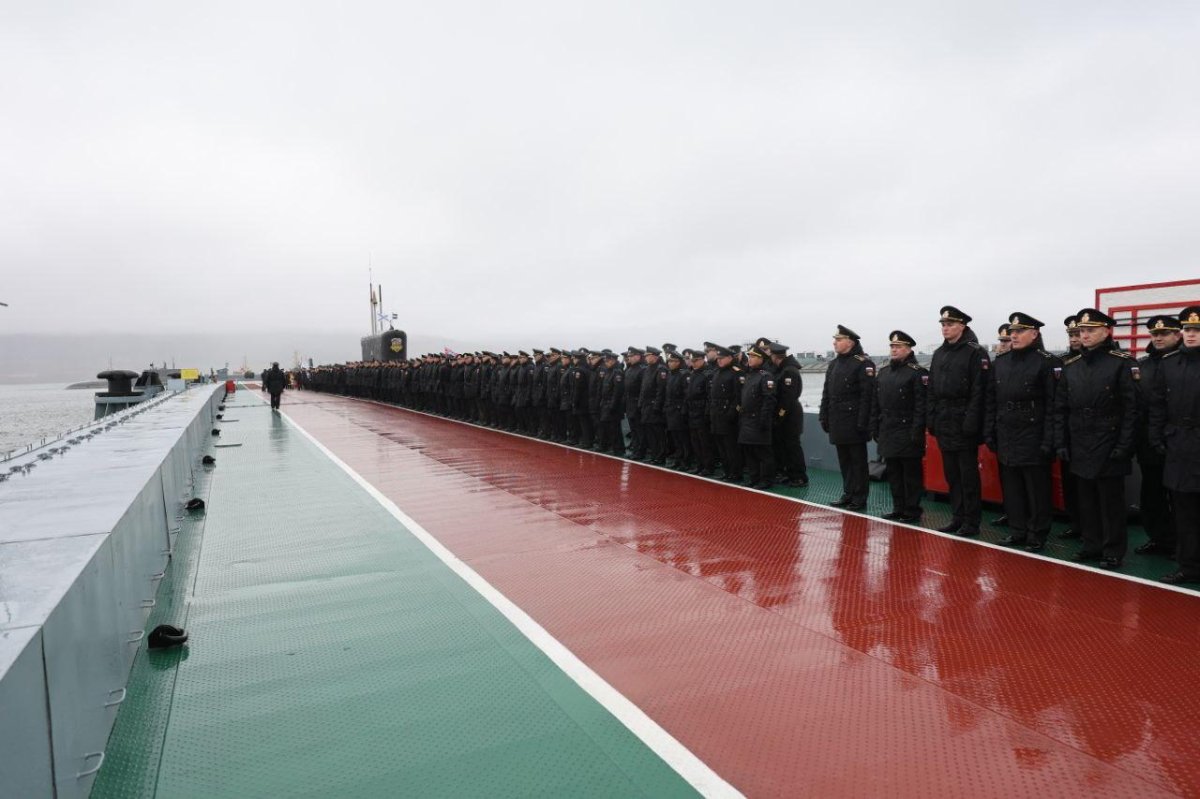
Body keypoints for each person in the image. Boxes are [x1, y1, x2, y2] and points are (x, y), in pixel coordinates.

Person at [1054, 308, 1139, 570]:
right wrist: (1062, 441)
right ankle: (1091, 545)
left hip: (1109, 440)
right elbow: (1061, 408)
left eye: (1090, 330)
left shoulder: (1122, 363)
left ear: (1106, 331)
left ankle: (1113, 551)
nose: (1085, 335)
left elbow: (1132, 409)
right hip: (1080, 440)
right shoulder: (1072, 366)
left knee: (1110, 502)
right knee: (1086, 499)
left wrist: (1124, 446)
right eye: (1082, 331)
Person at [986, 313, 1058, 552]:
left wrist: (1049, 439)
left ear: (1034, 334)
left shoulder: (1046, 362)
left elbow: (1054, 404)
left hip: (1033, 433)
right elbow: (992, 400)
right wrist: (990, 430)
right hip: (1007, 432)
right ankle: (1017, 530)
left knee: (1036, 489)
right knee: (1012, 487)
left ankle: (1037, 534)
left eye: (1020, 331)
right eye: (1012, 332)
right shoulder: (1001, 362)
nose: (1014, 336)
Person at [928, 306, 989, 536]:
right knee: (952, 475)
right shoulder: (939, 354)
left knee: (967, 475)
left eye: (950, 324)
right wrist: (932, 417)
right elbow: (932, 389)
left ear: (962, 326)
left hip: (964, 420)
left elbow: (979, 391)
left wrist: (972, 422)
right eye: (943, 324)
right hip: (945, 420)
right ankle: (958, 516)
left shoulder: (975, 353)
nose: (945, 328)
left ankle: (971, 521)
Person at [1150, 306, 1200, 584]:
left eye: (1197, 330)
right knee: (1184, 512)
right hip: (1179, 446)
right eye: (1188, 329)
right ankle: (1188, 566)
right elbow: (1158, 404)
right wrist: (1157, 437)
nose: (1191, 334)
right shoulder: (1169, 363)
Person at [1134, 315, 1181, 556]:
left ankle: (1182, 544)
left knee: (1180, 497)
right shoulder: (1142, 365)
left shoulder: (1186, 361)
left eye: (1164, 333)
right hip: (1148, 442)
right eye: (1155, 334)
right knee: (1151, 494)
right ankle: (1159, 538)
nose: (1159, 338)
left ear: (1177, 335)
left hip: (1178, 441)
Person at [871, 331, 927, 522]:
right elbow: (876, 403)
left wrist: (917, 431)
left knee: (911, 474)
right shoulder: (884, 372)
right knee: (894, 472)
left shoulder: (917, 373)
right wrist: (875, 426)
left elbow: (921, 406)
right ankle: (898, 507)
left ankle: (912, 510)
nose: (894, 350)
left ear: (909, 349)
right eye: (892, 346)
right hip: (888, 429)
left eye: (898, 346)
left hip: (908, 429)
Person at [819, 325, 874, 510]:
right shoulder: (834, 364)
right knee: (844, 461)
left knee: (858, 462)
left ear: (850, 342)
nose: (834, 343)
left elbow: (867, 396)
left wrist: (863, 422)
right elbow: (827, 393)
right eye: (835, 339)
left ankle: (859, 497)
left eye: (838, 339)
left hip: (855, 421)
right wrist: (823, 415)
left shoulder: (863, 363)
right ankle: (848, 493)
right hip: (837, 420)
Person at [769, 342, 809, 487]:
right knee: (785, 446)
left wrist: (779, 415)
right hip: (786, 414)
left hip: (790, 415)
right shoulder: (783, 369)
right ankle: (790, 474)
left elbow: (788, 398)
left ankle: (799, 477)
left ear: (775, 356)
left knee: (793, 447)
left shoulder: (789, 371)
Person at [739, 346, 777, 488]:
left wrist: (764, 420)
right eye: (749, 356)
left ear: (762, 359)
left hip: (758, 420)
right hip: (746, 420)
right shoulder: (749, 375)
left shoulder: (765, 376)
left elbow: (769, 400)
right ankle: (754, 477)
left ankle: (767, 480)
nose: (750, 359)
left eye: (754, 356)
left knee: (763, 453)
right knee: (749, 451)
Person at [708, 345, 743, 482]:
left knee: (731, 447)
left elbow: (739, 397)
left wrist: (732, 414)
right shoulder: (717, 373)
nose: (719, 361)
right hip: (716, 415)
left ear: (729, 358)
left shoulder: (736, 373)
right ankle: (727, 471)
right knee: (721, 447)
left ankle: (735, 473)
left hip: (728, 417)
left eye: (722, 358)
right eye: (718, 358)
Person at [685, 349, 716, 475]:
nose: (693, 363)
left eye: (696, 360)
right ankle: (700, 464)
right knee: (695, 442)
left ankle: (708, 466)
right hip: (692, 412)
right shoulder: (693, 374)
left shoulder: (707, 374)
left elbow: (710, 396)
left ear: (703, 359)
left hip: (702, 412)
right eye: (692, 361)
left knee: (705, 442)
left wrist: (706, 413)